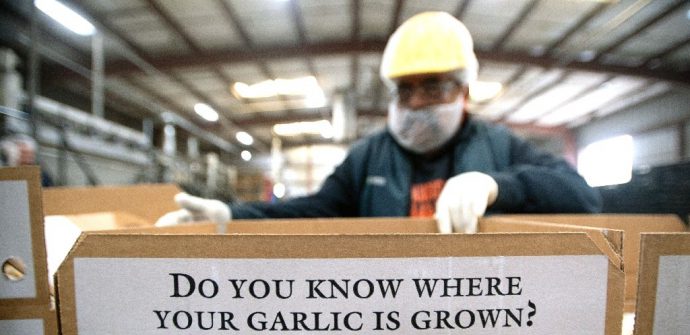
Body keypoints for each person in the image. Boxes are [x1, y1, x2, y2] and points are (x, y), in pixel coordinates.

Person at [157, 11, 601, 233]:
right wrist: (232, 216)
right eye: (405, 90)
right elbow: (313, 210)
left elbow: (582, 196)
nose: (416, 102)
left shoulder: (498, 146)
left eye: (433, 87)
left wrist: (496, 186)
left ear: (464, 93)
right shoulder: (370, 155)